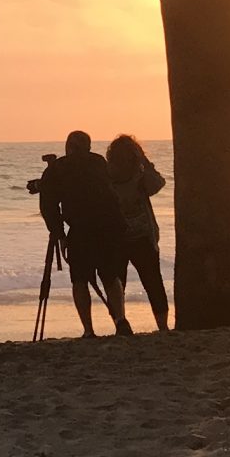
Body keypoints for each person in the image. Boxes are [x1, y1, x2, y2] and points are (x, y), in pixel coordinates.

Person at [36, 131, 131, 338]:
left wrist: (59, 234)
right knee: (110, 276)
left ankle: (89, 330)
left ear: (68, 146)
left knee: (79, 280)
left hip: (81, 230)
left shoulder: (59, 168)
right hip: (109, 227)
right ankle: (121, 320)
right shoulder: (98, 163)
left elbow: (49, 206)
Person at [103, 134, 171, 332]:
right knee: (153, 282)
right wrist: (144, 160)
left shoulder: (107, 175)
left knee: (116, 284)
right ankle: (162, 326)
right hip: (141, 235)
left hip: (116, 236)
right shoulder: (139, 174)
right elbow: (157, 184)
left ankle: (120, 322)